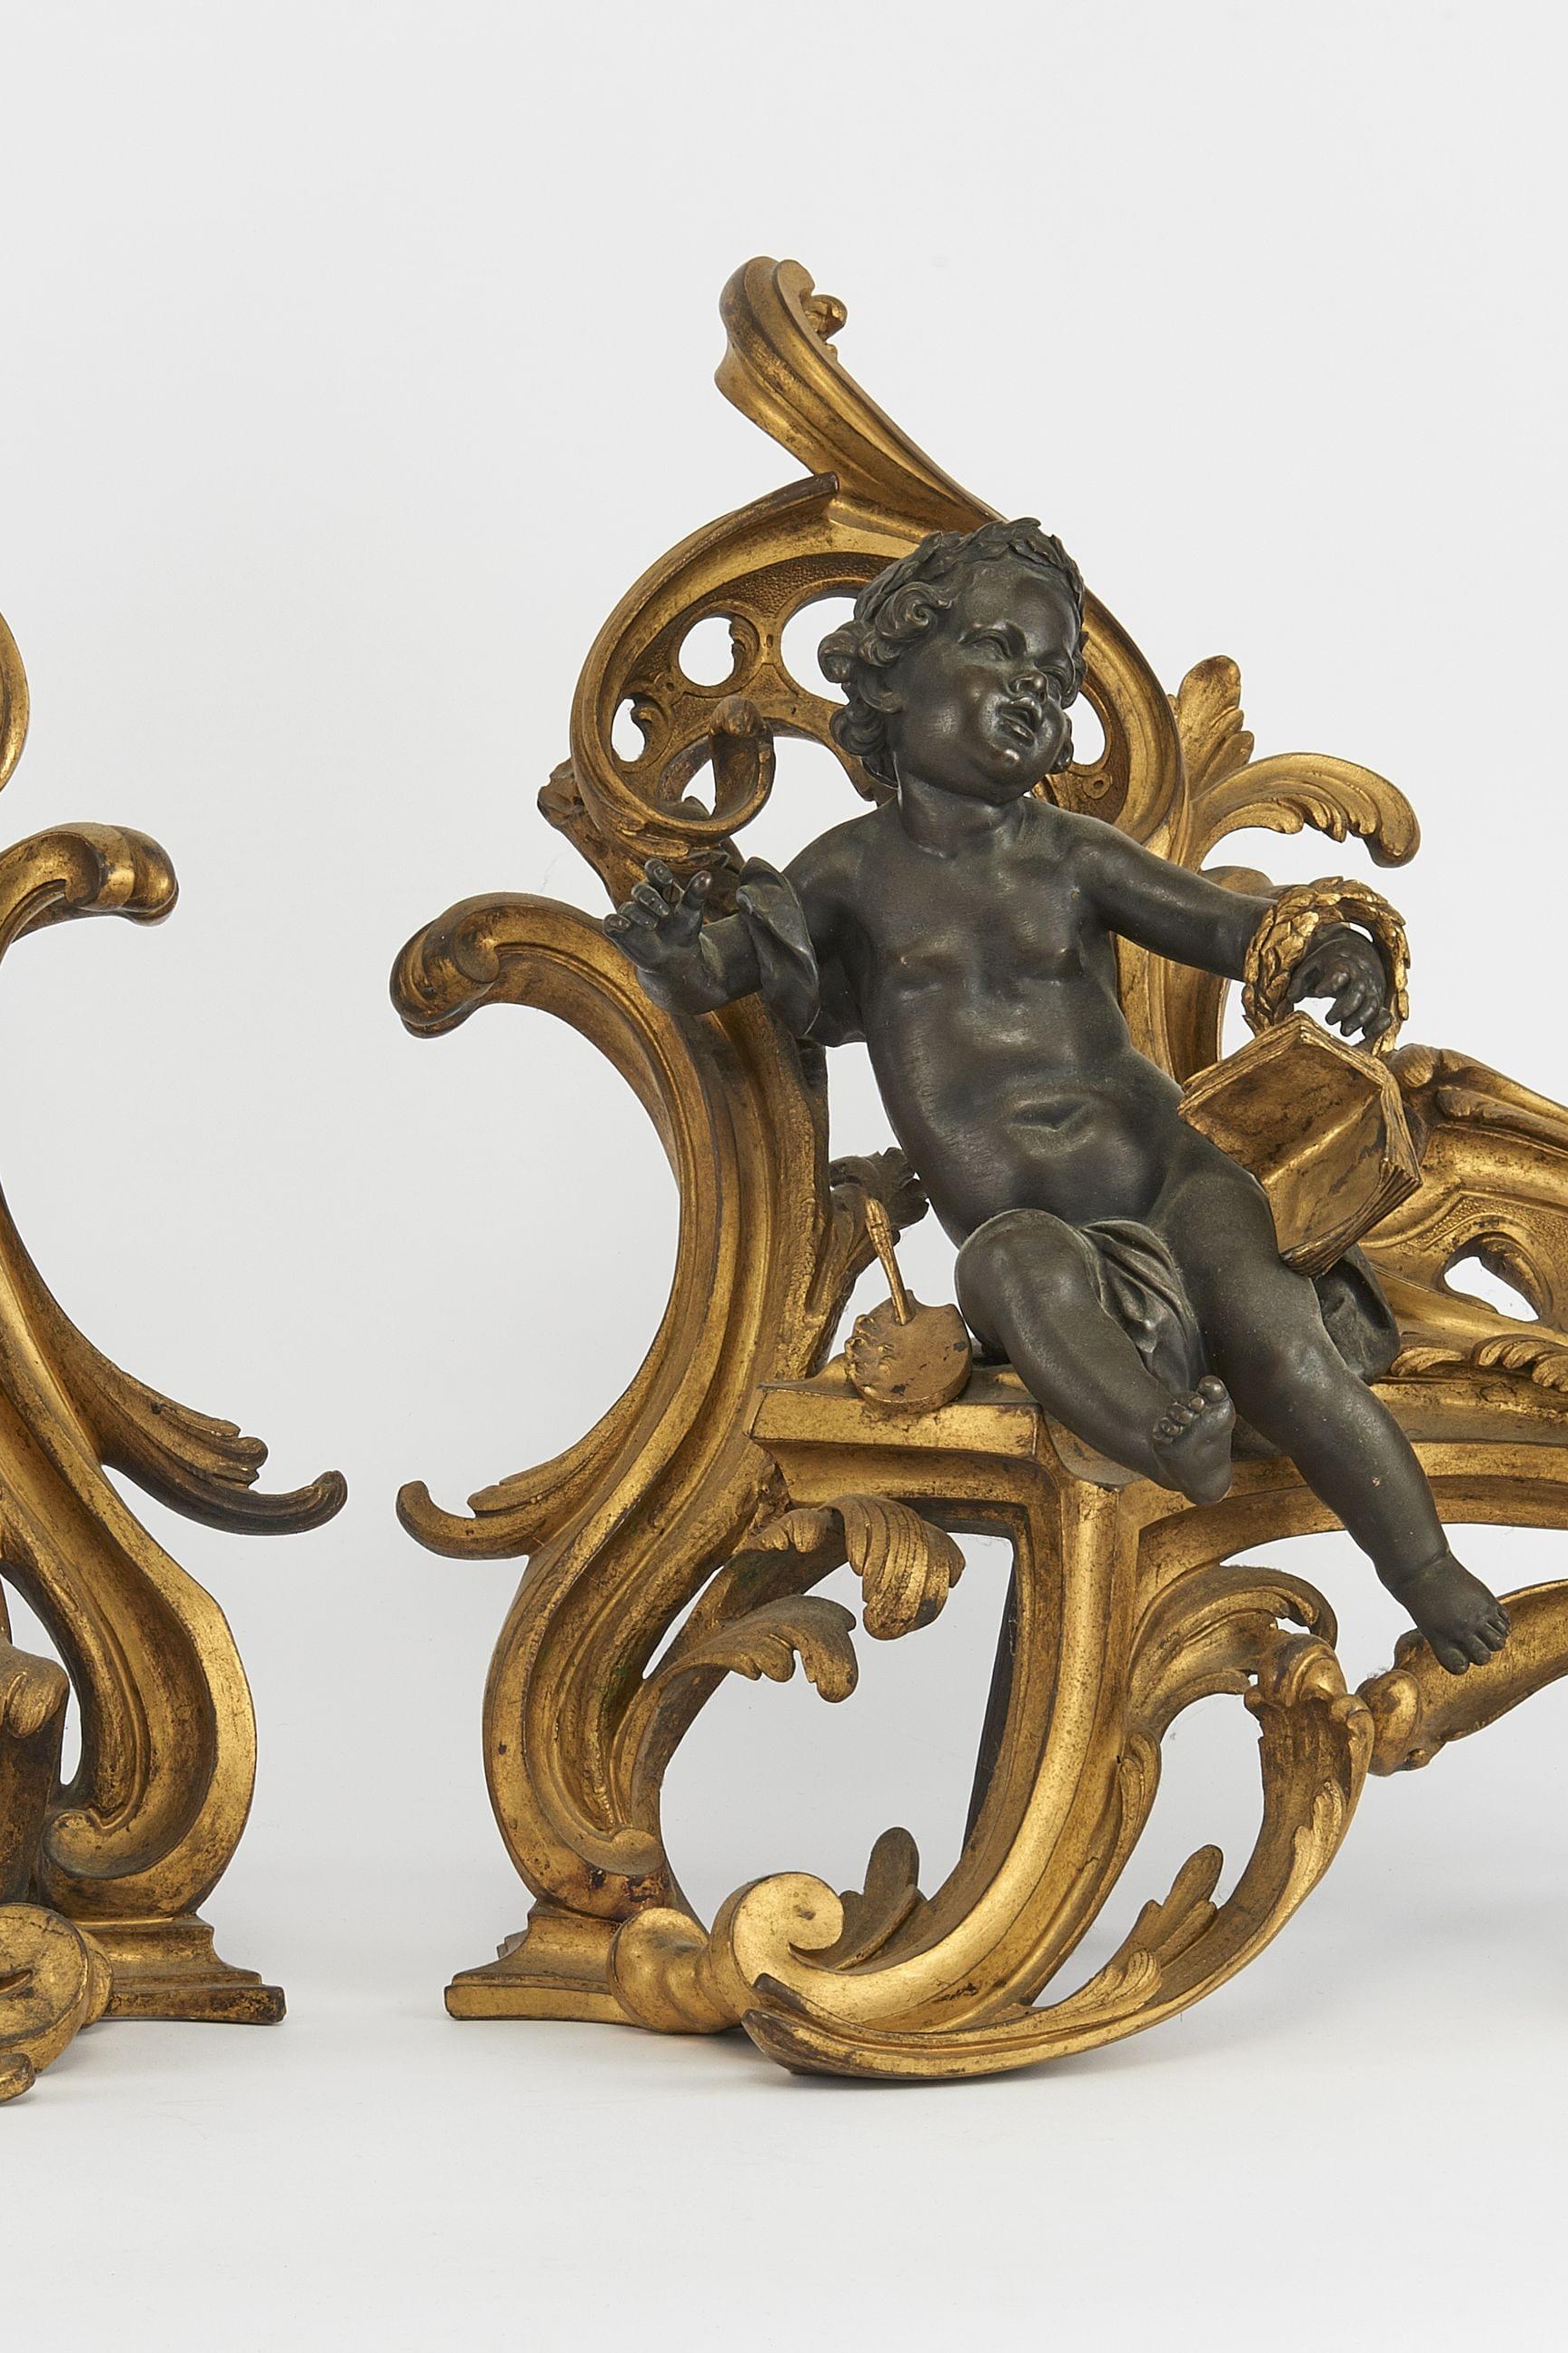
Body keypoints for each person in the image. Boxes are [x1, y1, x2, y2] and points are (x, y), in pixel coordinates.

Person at [602, 521, 1511, 1671]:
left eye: (1056, 673)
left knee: (1285, 1350)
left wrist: (1331, 945)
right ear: (891, 672)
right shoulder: (848, 871)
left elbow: (1232, 928)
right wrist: (672, 951)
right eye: (999, 650)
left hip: (1174, 1178)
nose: (1035, 689)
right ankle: (1162, 1434)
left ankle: (1421, 1564)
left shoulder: (1072, 855)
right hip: (1032, 1224)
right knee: (1006, 1272)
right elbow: (720, 973)